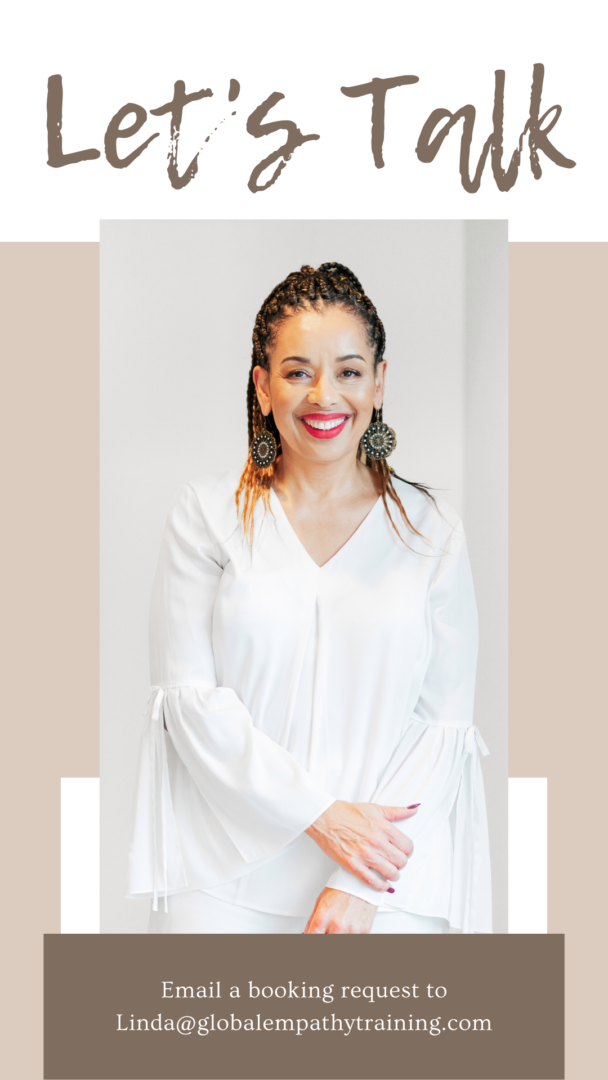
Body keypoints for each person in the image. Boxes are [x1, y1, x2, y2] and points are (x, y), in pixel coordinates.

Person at [126, 262, 492, 934]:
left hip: (385, 886)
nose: (325, 396)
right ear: (263, 387)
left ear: (379, 384)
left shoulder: (431, 530)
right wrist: (325, 820)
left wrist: (358, 877)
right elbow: (193, 706)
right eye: (298, 372)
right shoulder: (206, 515)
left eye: (349, 371)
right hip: (223, 880)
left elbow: (442, 726)